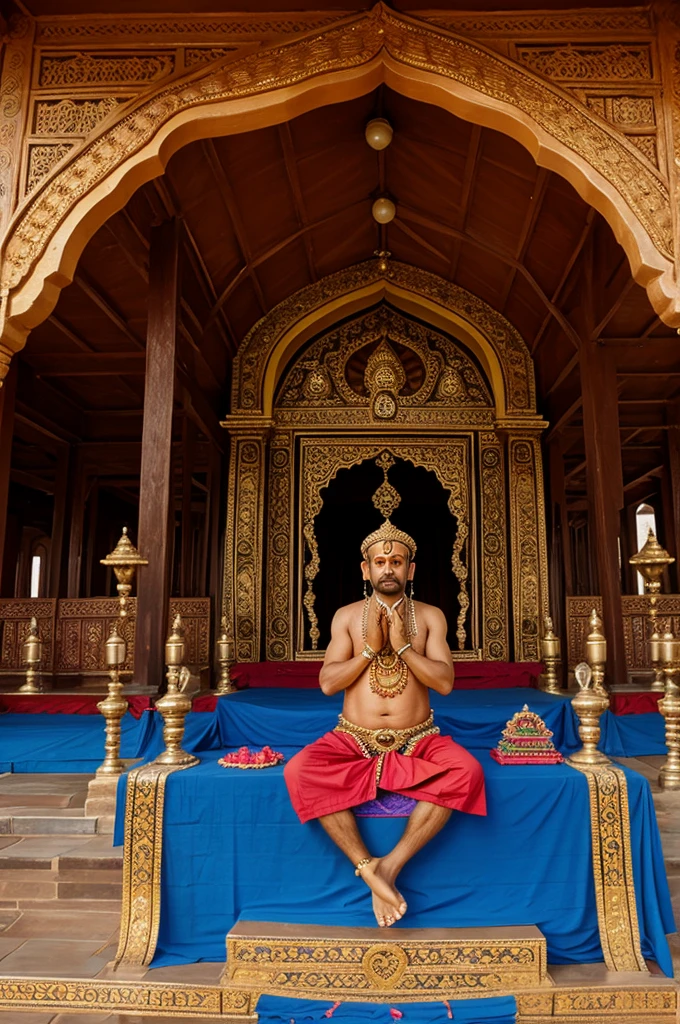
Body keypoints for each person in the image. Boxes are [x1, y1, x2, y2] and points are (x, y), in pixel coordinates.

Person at [284, 520, 486, 928]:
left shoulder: (430, 617)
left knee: (467, 772)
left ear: (411, 570)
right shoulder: (346, 617)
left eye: (397, 561)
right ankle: (365, 864)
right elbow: (327, 683)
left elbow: (444, 683)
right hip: (353, 737)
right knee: (300, 770)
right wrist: (369, 652)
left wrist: (404, 646)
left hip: (418, 738)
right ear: (366, 570)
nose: (388, 569)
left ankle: (386, 869)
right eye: (380, 562)